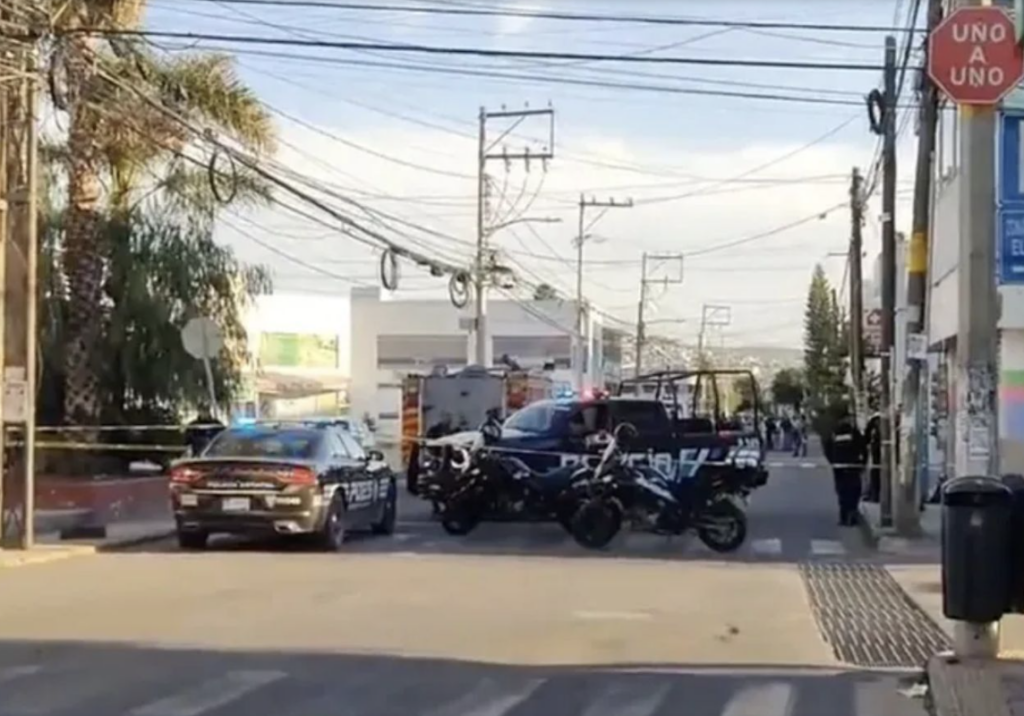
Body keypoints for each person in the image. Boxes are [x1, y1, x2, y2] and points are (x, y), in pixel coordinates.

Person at [822, 406, 867, 526]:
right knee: (853, 491)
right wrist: (863, 463)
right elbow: (863, 447)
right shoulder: (853, 432)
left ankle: (844, 516)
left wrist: (833, 461)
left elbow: (827, 448)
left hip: (839, 467)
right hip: (852, 466)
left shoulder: (834, 432)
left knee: (842, 492)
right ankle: (851, 515)